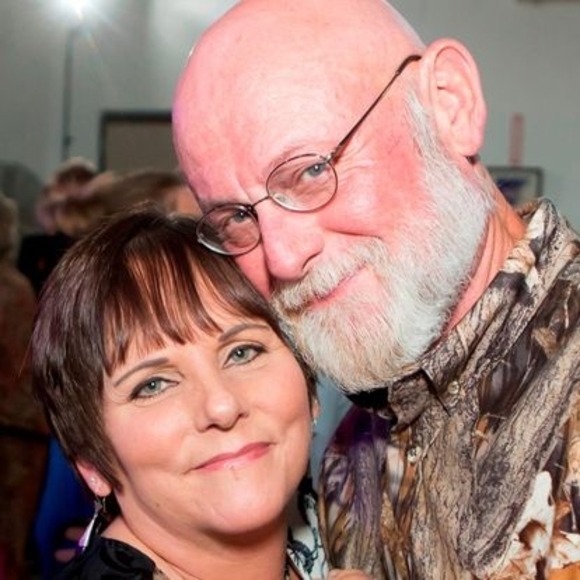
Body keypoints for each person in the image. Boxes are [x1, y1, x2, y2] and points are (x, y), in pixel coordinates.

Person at [172, 0, 580, 578]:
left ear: (450, 105)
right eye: (237, 217)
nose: (283, 256)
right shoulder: (352, 452)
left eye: (311, 170)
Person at [30, 206, 371, 580]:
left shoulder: (348, 525)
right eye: (153, 385)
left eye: (243, 352)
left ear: (310, 387)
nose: (222, 406)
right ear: (92, 465)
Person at [0, 191, 48, 580]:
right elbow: (24, 371)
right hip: (16, 437)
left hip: (15, 432)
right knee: (12, 547)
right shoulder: (11, 289)